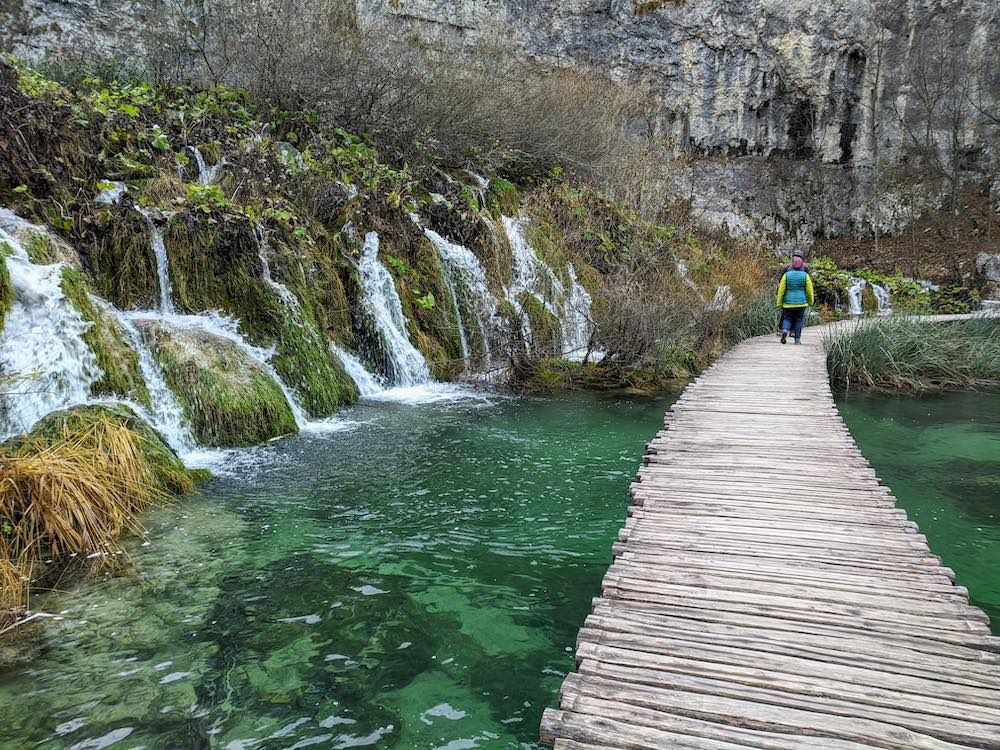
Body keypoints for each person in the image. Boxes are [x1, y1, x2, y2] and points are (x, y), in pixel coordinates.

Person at [776, 254, 815, 344]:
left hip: (788, 302)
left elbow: (781, 290)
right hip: (801, 303)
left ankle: (785, 330)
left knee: (787, 318)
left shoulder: (786, 275)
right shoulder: (805, 276)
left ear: (792, 264)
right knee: (798, 320)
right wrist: (810, 301)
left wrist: (779, 302)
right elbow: (809, 291)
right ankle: (797, 340)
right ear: (802, 265)